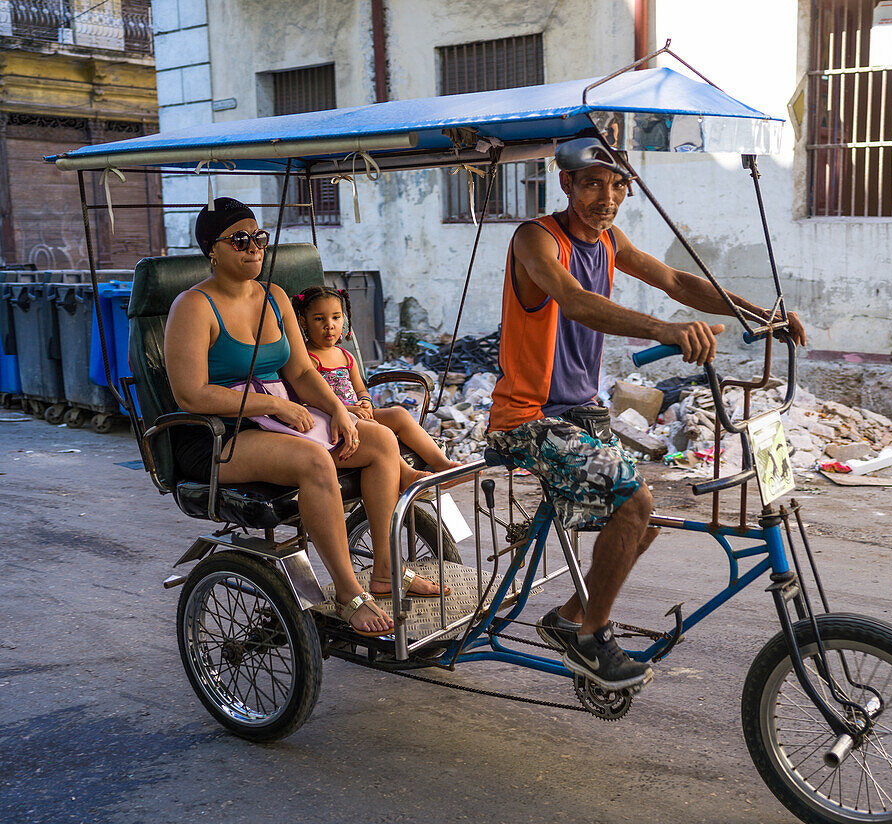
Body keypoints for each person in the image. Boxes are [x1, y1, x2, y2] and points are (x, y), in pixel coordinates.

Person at [487, 138, 806, 691]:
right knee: (633, 500)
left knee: (647, 512)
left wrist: (762, 313)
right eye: (591, 184)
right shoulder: (536, 239)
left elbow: (677, 281)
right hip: (528, 418)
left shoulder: (610, 239)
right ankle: (591, 638)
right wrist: (664, 329)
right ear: (566, 185)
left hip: (582, 413)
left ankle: (568, 618)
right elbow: (574, 299)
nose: (605, 197)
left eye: (616, 186)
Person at [164, 198, 447, 638]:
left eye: (258, 238)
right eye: (239, 240)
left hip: (284, 417)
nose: (253, 247)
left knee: (380, 442)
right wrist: (273, 405)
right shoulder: (193, 306)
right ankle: (349, 592)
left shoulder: (274, 296)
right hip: (219, 434)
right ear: (211, 249)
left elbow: (299, 370)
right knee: (314, 463)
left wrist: (337, 409)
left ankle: (387, 572)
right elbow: (191, 393)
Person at [292, 285, 460, 476]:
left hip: (358, 414)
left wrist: (366, 402)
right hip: (330, 423)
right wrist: (348, 411)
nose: (329, 325)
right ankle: (406, 474)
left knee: (399, 414)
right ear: (303, 322)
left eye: (336, 317)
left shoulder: (346, 357)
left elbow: (361, 389)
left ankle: (442, 464)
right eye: (319, 319)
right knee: (375, 430)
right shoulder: (307, 361)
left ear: (344, 319)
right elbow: (306, 401)